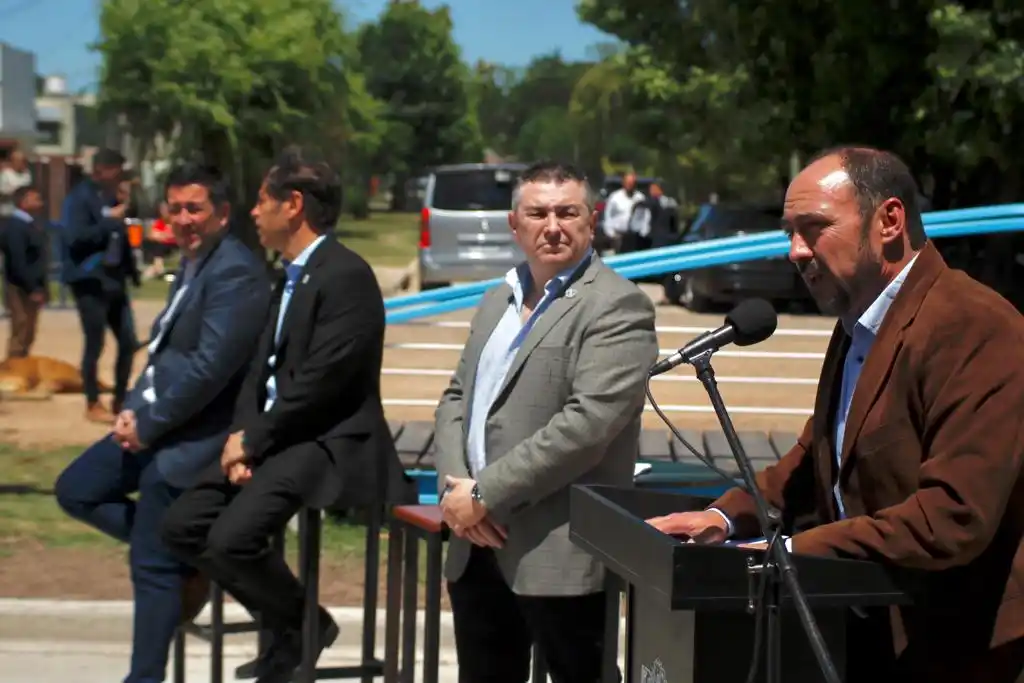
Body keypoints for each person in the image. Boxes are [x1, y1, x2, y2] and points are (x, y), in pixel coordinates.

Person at [648, 146, 1024, 682]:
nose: (796, 251)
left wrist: (790, 551)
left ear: (889, 220)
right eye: (788, 232)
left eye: (815, 227)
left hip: (953, 643)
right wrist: (727, 517)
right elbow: (816, 453)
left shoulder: (975, 326)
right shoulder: (858, 314)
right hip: (863, 626)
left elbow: (954, 517)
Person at [160, 147, 407, 683]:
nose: (253, 211)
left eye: (262, 200)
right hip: (275, 438)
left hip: (327, 441)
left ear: (293, 205)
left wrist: (255, 440)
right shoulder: (289, 276)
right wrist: (241, 436)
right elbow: (260, 369)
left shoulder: (346, 276)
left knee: (232, 540)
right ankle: (300, 623)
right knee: (181, 526)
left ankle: (298, 629)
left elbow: (322, 385)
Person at [434, 160, 660, 683]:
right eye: (537, 213)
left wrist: (484, 493)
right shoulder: (497, 298)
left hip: (557, 550)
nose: (552, 226)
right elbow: (455, 399)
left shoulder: (617, 305)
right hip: (476, 545)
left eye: (567, 212)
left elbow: (586, 427)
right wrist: (457, 495)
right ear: (515, 224)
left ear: (592, 220)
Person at [54, 162, 270, 683]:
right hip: (152, 424)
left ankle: (143, 676)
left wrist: (147, 425)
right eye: (174, 208)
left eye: (195, 207)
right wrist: (132, 409)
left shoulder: (234, 270)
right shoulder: (193, 262)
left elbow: (209, 371)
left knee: (151, 568)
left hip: (195, 440)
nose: (183, 218)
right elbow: (164, 355)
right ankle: (187, 553)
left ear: (221, 213)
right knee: (76, 489)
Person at [60, 147, 141, 422]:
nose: (121, 177)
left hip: (115, 280)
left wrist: (131, 271)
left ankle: (120, 398)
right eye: (117, 172)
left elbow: (120, 238)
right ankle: (92, 402)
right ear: (102, 171)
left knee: (128, 342)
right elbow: (75, 238)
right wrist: (109, 221)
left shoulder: (110, 197)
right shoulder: (79, 198)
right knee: (95, 343)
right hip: (89, 280)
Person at [1, 185, 48, 357]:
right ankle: (12, 371)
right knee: (20, 328)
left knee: (29, 330)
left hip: (32, 285)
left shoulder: (31, 224)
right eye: (36, 199)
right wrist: (32, 288)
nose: (40, 203)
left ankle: (22, 367)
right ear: (23, 202)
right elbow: (17, 260)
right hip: (19, 287)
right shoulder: (15, 226)